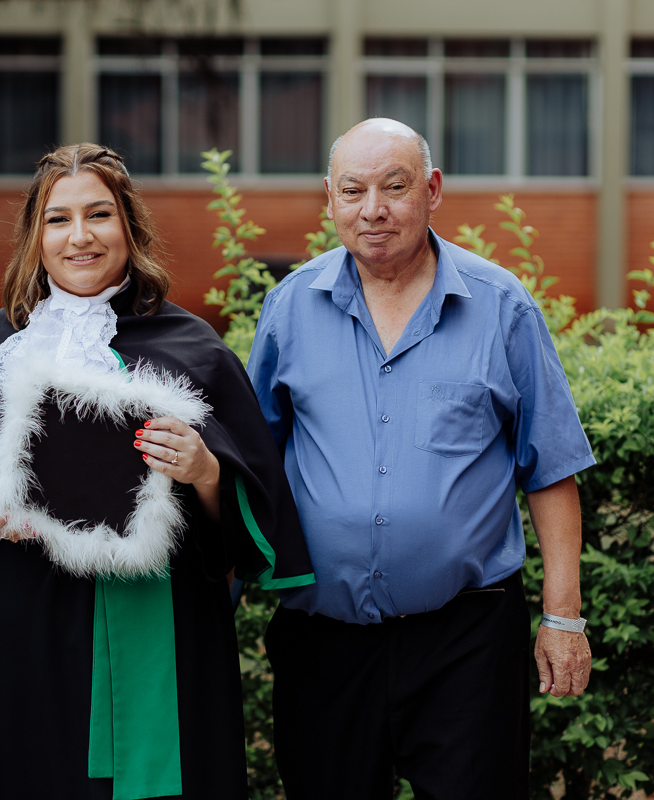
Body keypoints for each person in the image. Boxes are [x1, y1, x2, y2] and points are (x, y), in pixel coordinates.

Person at [0, 143, 312, 800]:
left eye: (98, 215)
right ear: (34, 236)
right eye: (58, 219)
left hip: (155, 619)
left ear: (128, 225)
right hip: (15, 625)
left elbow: (249, 518)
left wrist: (207, 471)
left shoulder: (193, 348)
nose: (80, 236)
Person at [246, 118, 595, 799]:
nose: (372, 209)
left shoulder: (501, 306)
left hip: (465, 640)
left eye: (394, 186)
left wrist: (563, 618)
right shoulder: (290, 308)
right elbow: (255, 463)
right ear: (330, 199)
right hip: (323, 642)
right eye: (353, 190)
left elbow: (548, 467)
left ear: (432, 190)